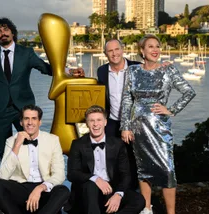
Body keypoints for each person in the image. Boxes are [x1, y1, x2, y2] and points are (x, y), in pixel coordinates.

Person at [0, 17, 85, 159]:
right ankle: (7, 180)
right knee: (4, 150)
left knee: (31, 146)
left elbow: (45, 68)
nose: (2, 33)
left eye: (6, 29)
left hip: (23, 107)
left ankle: (31, 179)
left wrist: (70, 72)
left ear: (13, 33)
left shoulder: (26, 53)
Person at [120, 34, 196, 214]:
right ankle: (146, 209)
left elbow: (188, 92)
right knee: (143, 169)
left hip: (160, 129)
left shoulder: (168, 70)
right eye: (150, 47)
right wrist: (125, 126)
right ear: (142, 51)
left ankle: (171, 213)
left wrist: (171, 109)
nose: (155, 50)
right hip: (138, 128)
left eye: (157, 46)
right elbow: (126, 100)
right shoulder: (132, 71)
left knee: (168, 171)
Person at [66, 105, 145, 214]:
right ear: (87, 123)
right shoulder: (78, 144)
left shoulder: (117, 144)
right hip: (87, 193)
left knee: (139, 200)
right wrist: (95, 179)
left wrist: (118, 194)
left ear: (105, 122)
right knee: (90, 186)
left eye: (99, 120)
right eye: (91, 121)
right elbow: (72, 174)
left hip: (111, 189)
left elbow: (126, 174)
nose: (95, 124)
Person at [0, 104, 70, 214]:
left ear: (40, 122)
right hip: (21, 188)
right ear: (21, 122)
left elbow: (60, 174)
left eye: (34, 118)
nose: (30, 123)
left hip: (44, 187)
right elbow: (3, 175)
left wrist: (40, 188)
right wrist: (17, 145)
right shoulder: (11, 141)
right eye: (26, 118)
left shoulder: (52, 140)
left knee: (63, 190)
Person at [97, 39, 141, 189]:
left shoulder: (137, 67)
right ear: (105, 54)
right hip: (112, 122)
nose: (114, 53)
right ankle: (116, 192)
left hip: (134, 122)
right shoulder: (102, 71)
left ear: (123, 50)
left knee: (134, 159)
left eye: (117, 49)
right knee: (113, 159)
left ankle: (134, 194)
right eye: (110, 51)